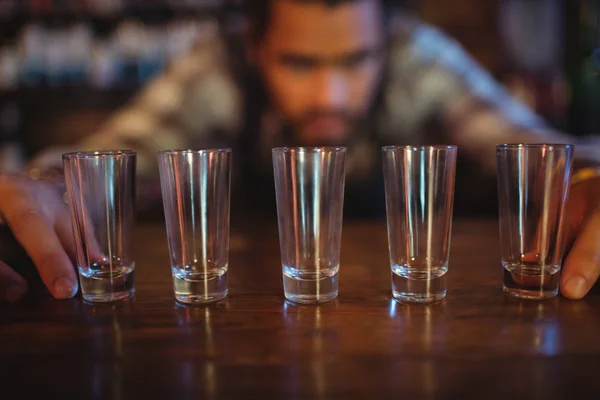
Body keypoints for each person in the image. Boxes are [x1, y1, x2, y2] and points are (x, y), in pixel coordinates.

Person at [1, 0, 599, 303]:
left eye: (356, 60)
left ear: (384, 47)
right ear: (257, 50)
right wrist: (42, 187)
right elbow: (103, 160)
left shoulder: (418, 56)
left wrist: (593, 176)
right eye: (300, 62)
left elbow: (557, 157)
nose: (330, 95)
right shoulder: (217, 67)